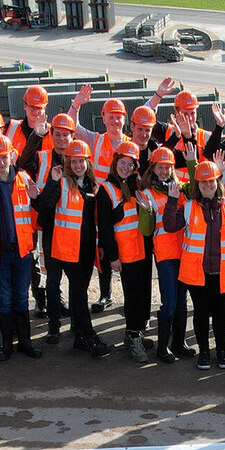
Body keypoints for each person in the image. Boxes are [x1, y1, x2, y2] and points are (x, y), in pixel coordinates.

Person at [34, 139, 113, 358]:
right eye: (74, 161)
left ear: (88, 162)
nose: (78, 165)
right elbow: (43, 209)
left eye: (82, 161)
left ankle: (80, 335)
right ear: (68, 162)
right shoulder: (60, 182)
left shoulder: (92, 185)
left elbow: (94, 219)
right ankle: (86, 336)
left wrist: (100, 247)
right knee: (77, 295)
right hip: (66, 249)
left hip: (86, 250)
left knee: (80, 294)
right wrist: (51, 183)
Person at [0, 132, 44, 361]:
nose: (2, 161)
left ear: (11, 156)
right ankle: (7, 344)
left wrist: (35, 198)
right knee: (4, 298)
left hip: (22, 251)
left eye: (5, 157)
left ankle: (25, 342)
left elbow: (35, 211)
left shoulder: (23, 179)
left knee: (21, 297)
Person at [166, 159, 225, 370]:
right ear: (197, 184)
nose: (208, 185)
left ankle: (222, 352)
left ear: (218, 182)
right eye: (203, 182)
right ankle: (204, 353)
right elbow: (171, 226)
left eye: (211, 181)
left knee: (220, 314)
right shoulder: (188, 207)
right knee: (200, 312)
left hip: (222, 272)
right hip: (197, 273)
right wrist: (172, 201)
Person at [101, 141, 155, 361]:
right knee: (133, 297)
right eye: (123, 162)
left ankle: (136, 334)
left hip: (142, 249)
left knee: (143, 295)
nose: (126, 167)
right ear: (115, 162)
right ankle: (133, 338)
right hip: (126, 253)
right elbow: (105, 227)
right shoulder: (106, 189)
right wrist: (113, 257)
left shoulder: (136, 186)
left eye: (130, 164)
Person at [144, 146, 188, 362]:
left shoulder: (180, 188)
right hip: (165, 254)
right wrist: (144, 210)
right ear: (153, 168)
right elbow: (146, 228)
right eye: (161, 167)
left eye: (168, 167)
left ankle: (179, 343)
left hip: (184, 252)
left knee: (182, 301)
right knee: (169, 302)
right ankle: (163, 347)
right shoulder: (147, 193)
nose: (164, 171)